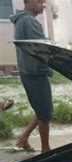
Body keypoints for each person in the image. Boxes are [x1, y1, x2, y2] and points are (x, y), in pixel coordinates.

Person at [10, 0, 53, 153]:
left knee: (42, 109)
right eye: (39, 1)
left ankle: (23, 139)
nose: (43, 4)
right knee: (45, 114)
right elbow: (42, 49)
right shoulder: (28, 21)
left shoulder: (21, 20)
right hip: (35, 73)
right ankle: (45, 150)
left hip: (28, 71)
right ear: (28, 2)